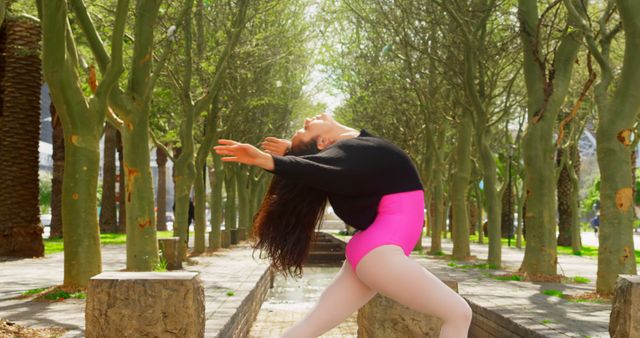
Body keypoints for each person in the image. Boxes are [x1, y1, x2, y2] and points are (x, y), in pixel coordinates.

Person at [213, 113, 472, 338]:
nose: (305, 121)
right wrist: (268, 161)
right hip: (378, 255)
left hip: (372, 254)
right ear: (325, 143)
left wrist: (294, 153)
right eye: (305, 129)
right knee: (459, 313)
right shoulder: (348, 154)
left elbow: (330, 160)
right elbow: (322, 168)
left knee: (306, 330)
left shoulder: (358, 148)